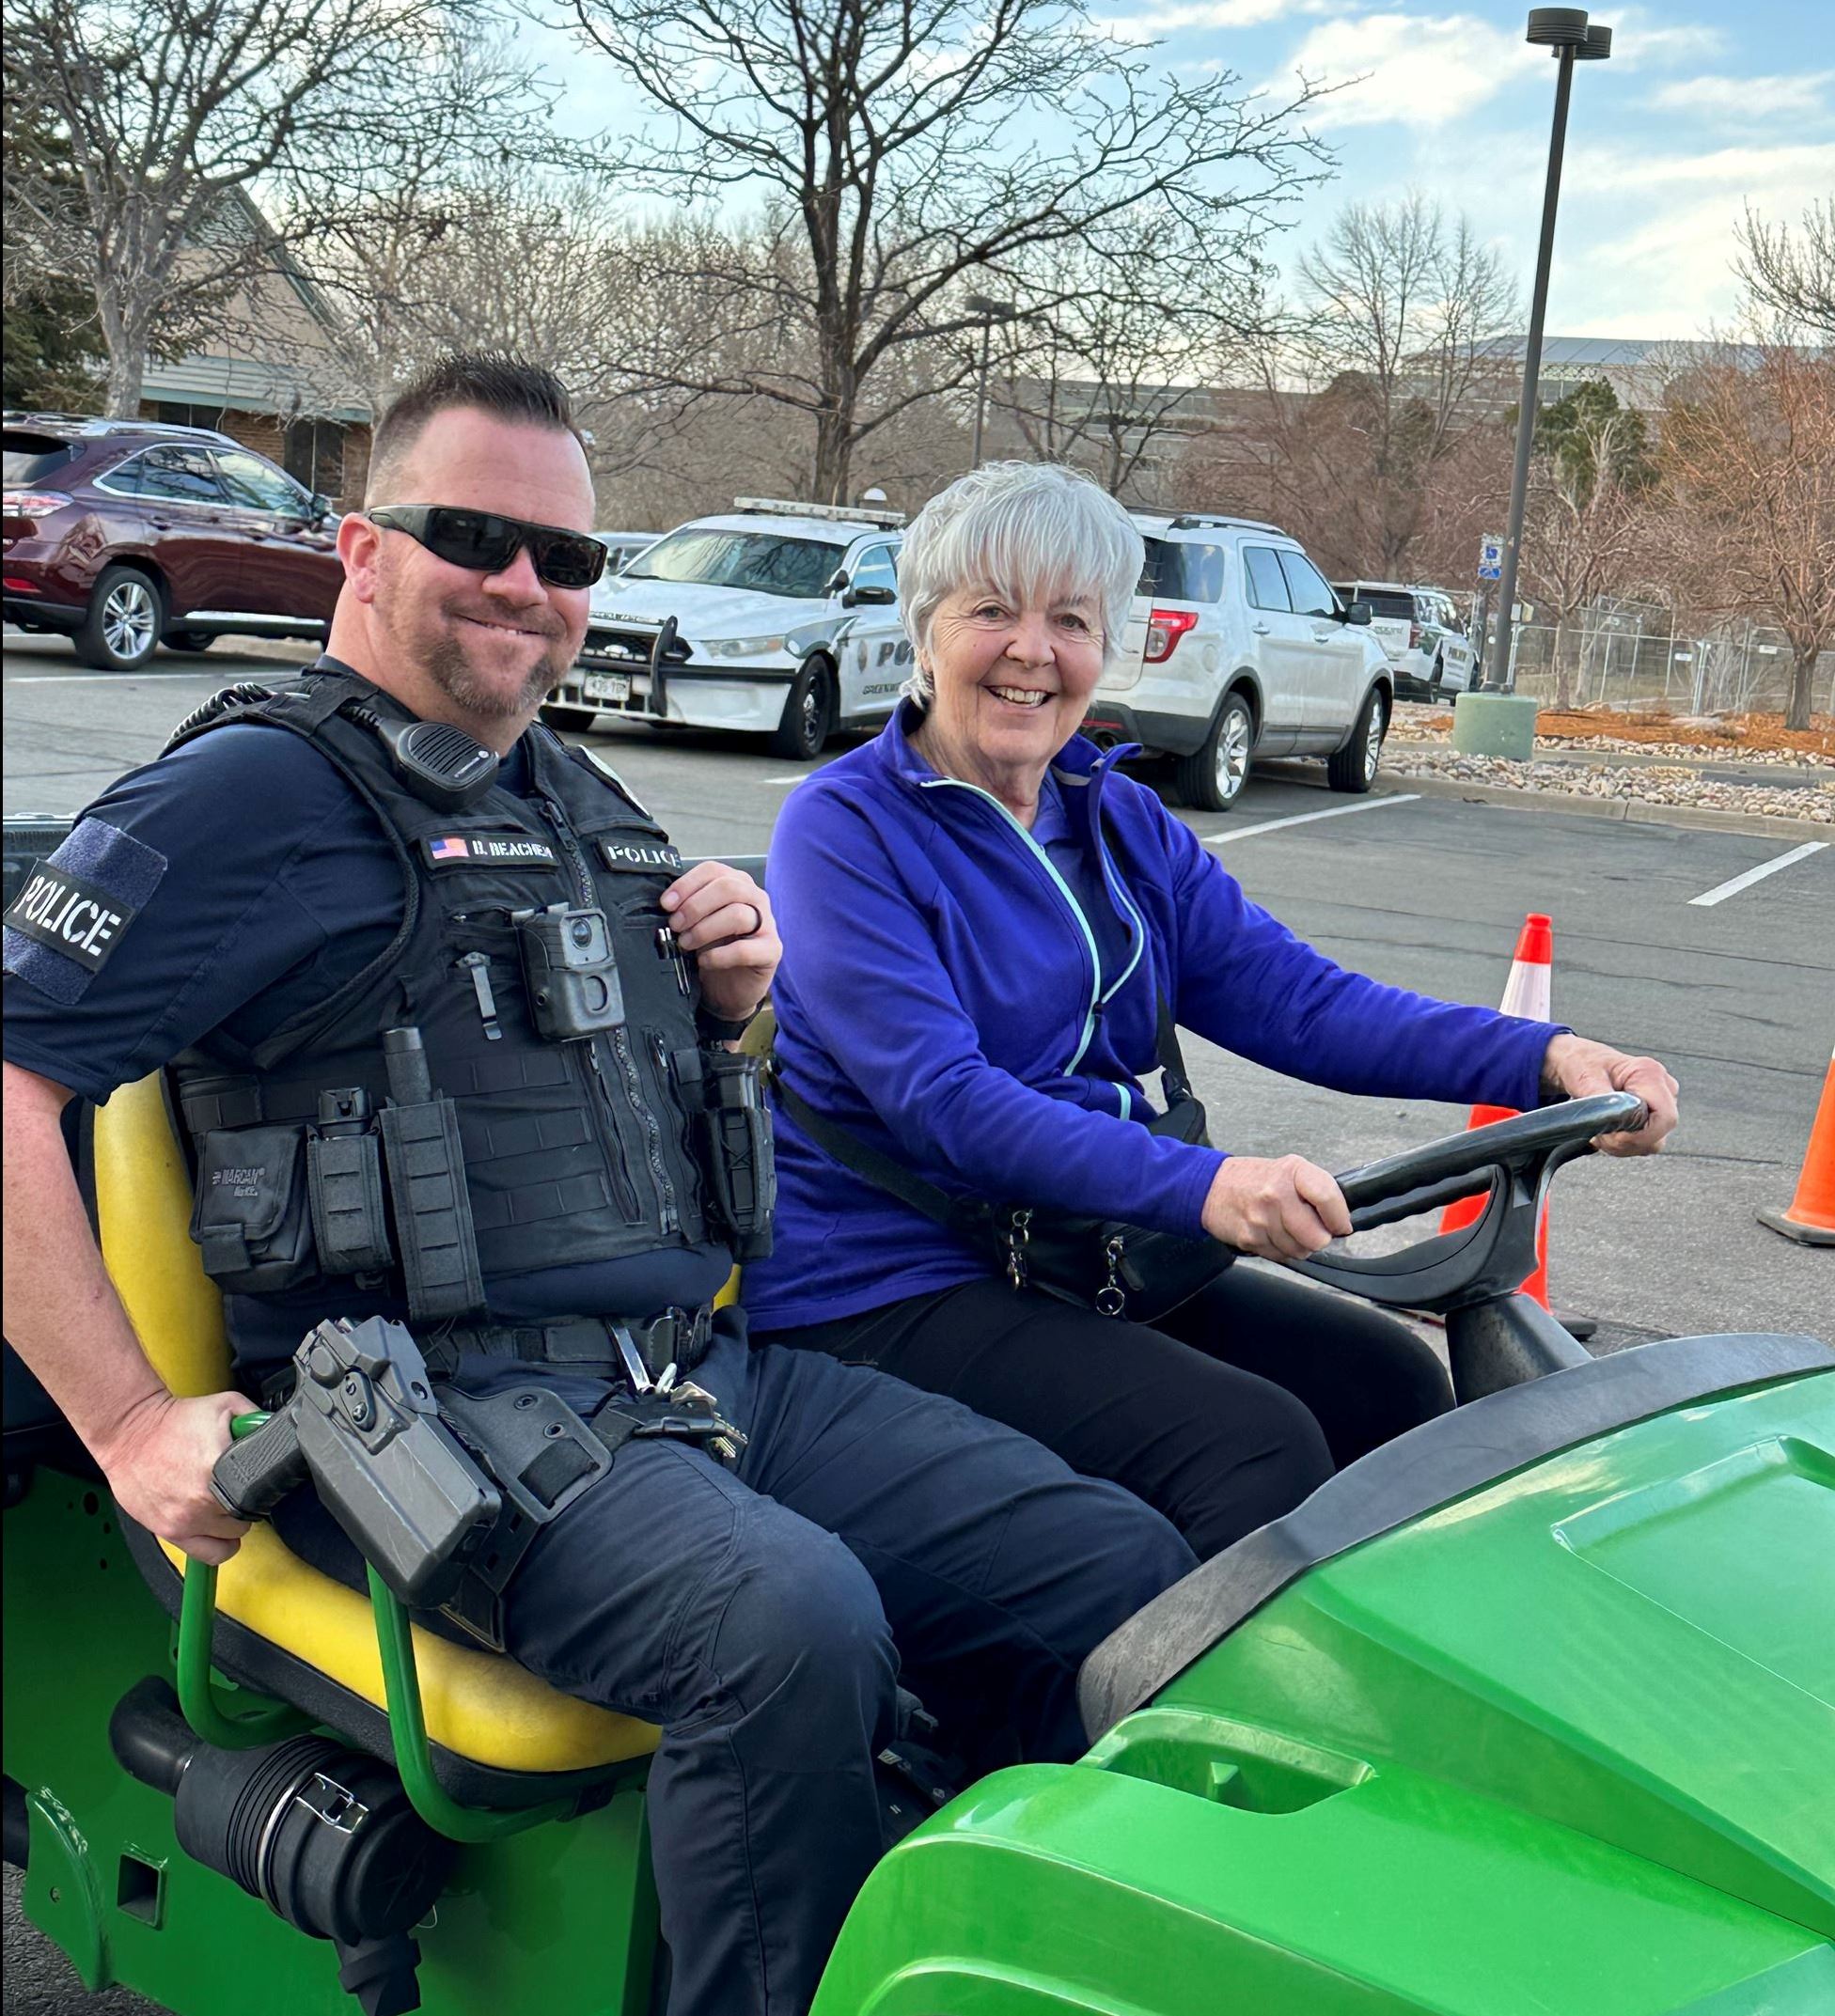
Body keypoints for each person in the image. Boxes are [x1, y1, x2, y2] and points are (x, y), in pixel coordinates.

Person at [1, 370, 1196, 2016]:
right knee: (786, 1629)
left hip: (685, 1382)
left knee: (1118, 1576)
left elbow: (624, 1103)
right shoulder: (246, 799)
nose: (528, 587)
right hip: (420, 1430)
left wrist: (729, 1005)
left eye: (567, 558)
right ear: (359, 547)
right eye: (474, 537)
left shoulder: (570, 804)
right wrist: (134, 1426)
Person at [746, 461, 1681, 1559]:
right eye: (990, 610)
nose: (1031, 650)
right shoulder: (846, 829)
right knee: (1251, 1448)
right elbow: (942, 1103)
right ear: (924, 630)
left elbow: (1300, 1003)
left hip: (1070, 1249)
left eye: (1070, 619)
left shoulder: (1115, 817)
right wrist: (1207, 1187)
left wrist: (1549, 1059)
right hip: (886, 1281)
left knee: (1386, 1384)